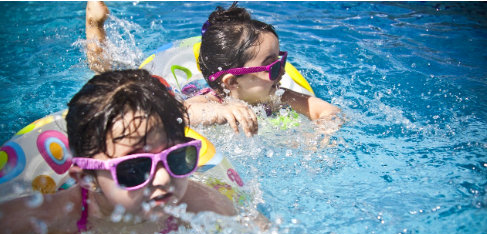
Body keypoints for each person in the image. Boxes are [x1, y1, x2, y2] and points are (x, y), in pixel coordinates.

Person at [0, 69, 237, 234]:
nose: (164, 179)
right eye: (135, 169)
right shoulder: (55, 216)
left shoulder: (197, 204)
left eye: (176, 157)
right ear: (86, 178)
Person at [85, 1, 341, 138]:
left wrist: (323, 131)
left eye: (281, 61)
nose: (282, 73)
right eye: (272, 67)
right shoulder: (211, 99)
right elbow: (180, 114)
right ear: (231, 83)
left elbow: (326, 110)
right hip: (181, 90)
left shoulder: (278, 96)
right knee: (110, 79)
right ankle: (95, 26)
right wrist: (221, 110)